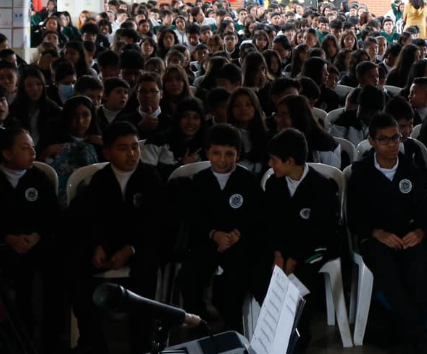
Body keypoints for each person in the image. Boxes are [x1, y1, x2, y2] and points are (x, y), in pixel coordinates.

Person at [69, 121, 166, 354]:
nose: (132, 154)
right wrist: (96, 246)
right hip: (107, 245)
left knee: (145, 270)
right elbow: (86, 218)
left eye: (135, 147)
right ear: (108, 152)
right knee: (75, 267)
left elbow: (157, 223)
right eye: (123, 148)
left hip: (139, 246)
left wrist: (130, 249)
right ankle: (92, 339)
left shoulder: (150, 177)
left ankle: (140, 343)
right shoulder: (100, 179)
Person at [0, 126, 63, 350]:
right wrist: (8, 237)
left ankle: (51, 337)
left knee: (56, 267)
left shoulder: (38, 177)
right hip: (2, 245)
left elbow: (53, 215)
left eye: (33, 147)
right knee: (17, 276)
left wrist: (36, 235)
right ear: (7, 154)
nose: (32, 153)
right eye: (25, 148)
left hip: (36, 242)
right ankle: (18, 336)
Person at [347, 114, 427, 354]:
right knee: (385, 265)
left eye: (396, 138)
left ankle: (411, 331)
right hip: (375, 237)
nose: (392, 145)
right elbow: (354, 218)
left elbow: (424, 211)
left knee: (418, 265)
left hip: (406, 234)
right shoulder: (361, 172)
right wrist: (377, 233)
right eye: (384, 140)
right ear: (371, 141)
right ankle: (415, 331)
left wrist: (419, 231)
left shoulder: (411, 169)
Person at [179, 123, 263, 333]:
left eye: (229, 154)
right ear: (207, 152)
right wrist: (213, 234)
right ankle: (198, 326)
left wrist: (236, 234)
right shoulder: (199, 181)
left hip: (238, 242)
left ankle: (233, 327)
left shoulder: (247, 180)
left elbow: (255, 214)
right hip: (206, 241)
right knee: (190, 274)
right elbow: (194, 216)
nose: (222, 159)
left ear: (238, 154)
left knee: (237, 274)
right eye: (216, 153)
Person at [263, 128, 342, 351]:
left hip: (314, 248)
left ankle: (299, 335)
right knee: (264, 274)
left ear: (289, 161)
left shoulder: (323, 186)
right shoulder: (274, 184)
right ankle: (270, 333)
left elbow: (322, 231)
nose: (270, 164)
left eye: (274, 160)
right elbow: (270, 223)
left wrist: (294, 259)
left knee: (301, 279)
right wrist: (278, 253)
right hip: (284, 247)